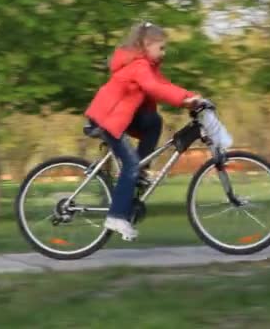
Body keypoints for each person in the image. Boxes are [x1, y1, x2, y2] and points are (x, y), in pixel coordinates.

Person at [84, 21, 201, 241]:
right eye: (161, 47)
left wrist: (191, 97)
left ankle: (140, 170)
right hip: (107, 119)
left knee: (153, 121)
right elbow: (155, 88)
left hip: (120, 118)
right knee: (130, 165)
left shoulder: (147, 67)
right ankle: (117, 216)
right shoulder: (139, 66)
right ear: (147, 44)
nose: (164, 52)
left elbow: (164, 85)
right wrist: (185, 101)